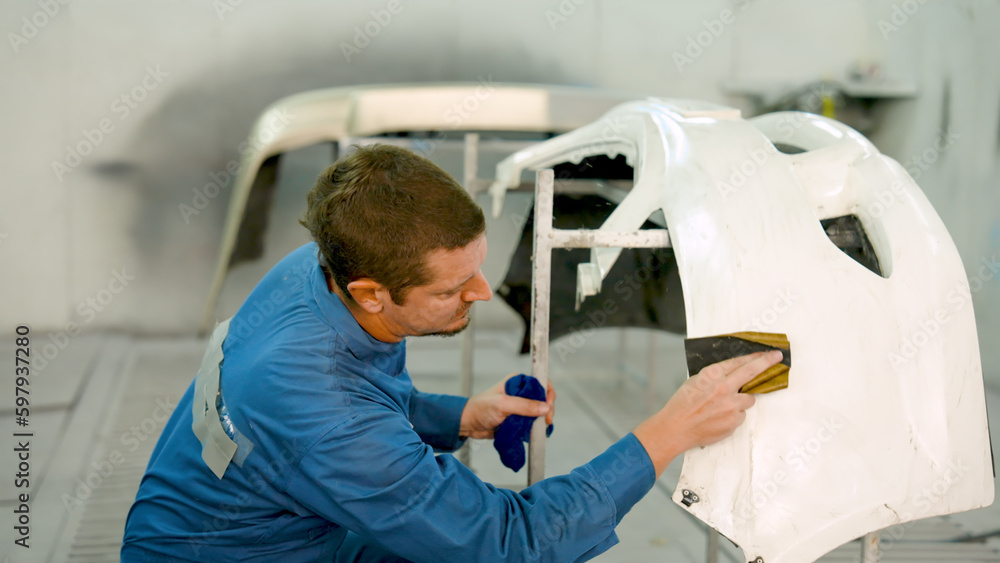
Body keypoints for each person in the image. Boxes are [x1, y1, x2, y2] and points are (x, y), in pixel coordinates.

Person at [121, 144, 782, 562]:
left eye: (477, 267)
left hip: (282, 529)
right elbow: (509, 542)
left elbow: (359, 403)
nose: (483, 291)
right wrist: (666, 434)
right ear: (372, 292)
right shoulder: (322, 410)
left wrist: (462, 415)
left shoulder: (310, 272)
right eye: (452, 287)